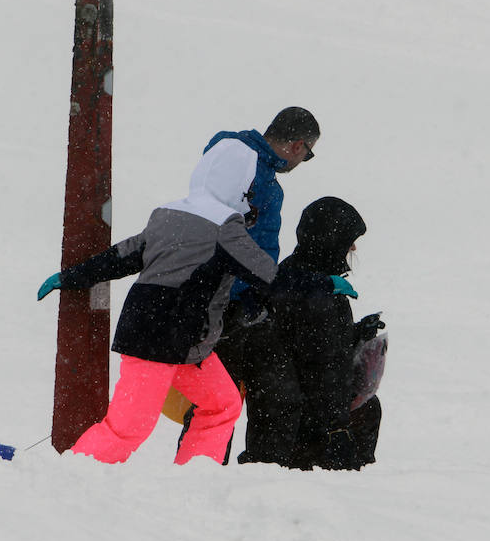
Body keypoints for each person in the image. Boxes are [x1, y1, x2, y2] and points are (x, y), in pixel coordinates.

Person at [36, 136, 353, 465]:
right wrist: (321, 284)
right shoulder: (224, 228)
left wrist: (71, 276)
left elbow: (123, 255)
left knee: (222, 404)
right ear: (241, 186)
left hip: (181, 340)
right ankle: (73, 477)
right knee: (128, 428)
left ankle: (193, 478)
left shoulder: (168, 214)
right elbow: (268, 276)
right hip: (158, 341)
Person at [205, 108, 322, 458]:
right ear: (300, 146)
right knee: (218, 404)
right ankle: (205, 474)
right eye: (309, 153)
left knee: (269, 397)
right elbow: (235, 240)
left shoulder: (238, 159)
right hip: (229, 305)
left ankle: (253, 472)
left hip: (244, 304)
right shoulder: (250, 169)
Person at [235, 197, 383, 470]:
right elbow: (325, 369)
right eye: (348, 240)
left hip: (280, 422)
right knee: (369, 410)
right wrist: (337, 432)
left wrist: (355, 334)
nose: (353, 247)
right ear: (331, 241)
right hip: (304, 431)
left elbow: (309, 347)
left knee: (367, 408)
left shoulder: (293, 274)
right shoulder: (320, 293)